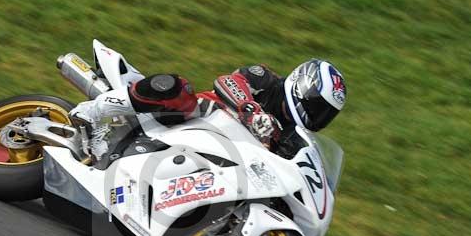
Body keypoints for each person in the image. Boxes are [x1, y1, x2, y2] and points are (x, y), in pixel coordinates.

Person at [70, 59, 347, 158]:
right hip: (192, 118)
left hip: (211, 154)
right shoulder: (266, 79)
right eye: (317, 107)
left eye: (326, 114)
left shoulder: (290, 137)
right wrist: (251, 110)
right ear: (304, 88)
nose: (318, 117)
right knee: (178, 88)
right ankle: (93, 112)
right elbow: (229, 81)